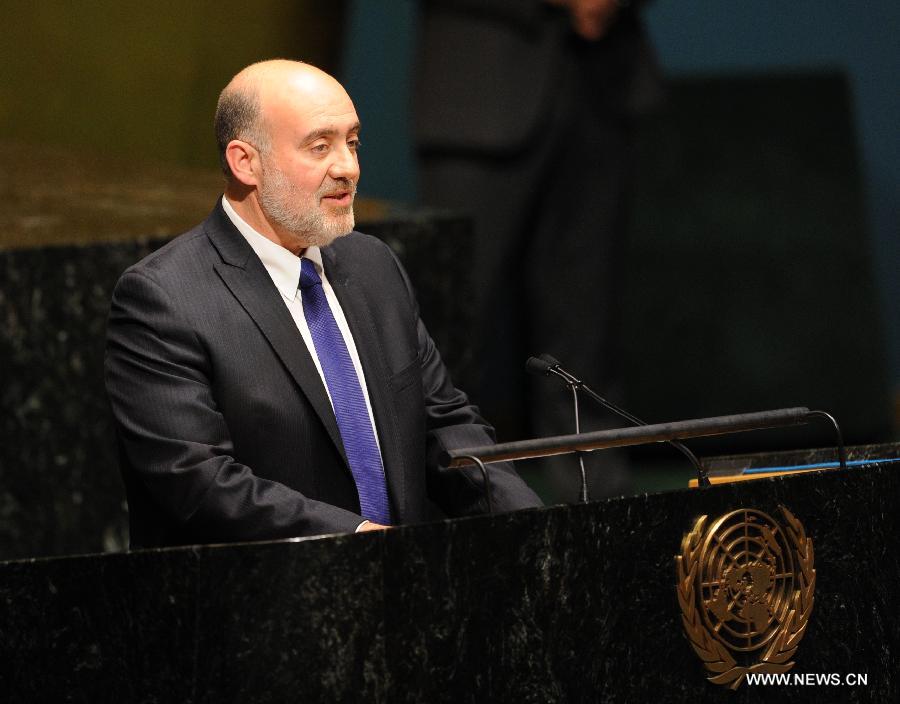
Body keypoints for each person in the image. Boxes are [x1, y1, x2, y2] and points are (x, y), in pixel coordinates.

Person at [105, 60, 542, 549]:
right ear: (245, 161)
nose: (348, 167)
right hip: (253, 604)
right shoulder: (164, 297)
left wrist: (532, 525)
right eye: (320, 146)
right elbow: (197, 479)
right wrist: (355, 542)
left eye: (352, 142)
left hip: (405, 593)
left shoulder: (374, 265)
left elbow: (443, 425)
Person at [414, 0, 662, 499]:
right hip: (478, 80)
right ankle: (445, 504)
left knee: (587, 326)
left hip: (603, 81)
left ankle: (601, 513)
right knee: (451, 330)